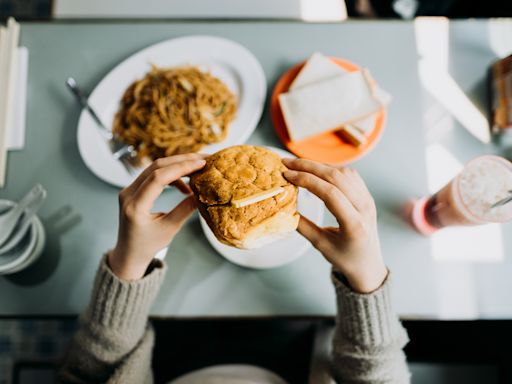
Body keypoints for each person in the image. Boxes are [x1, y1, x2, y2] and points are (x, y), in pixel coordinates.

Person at [58, 153, 410, 383]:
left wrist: (127, 266)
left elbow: (89, 373)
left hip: (164, 355)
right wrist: (366, 279)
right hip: (300, 356)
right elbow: (378, 377)